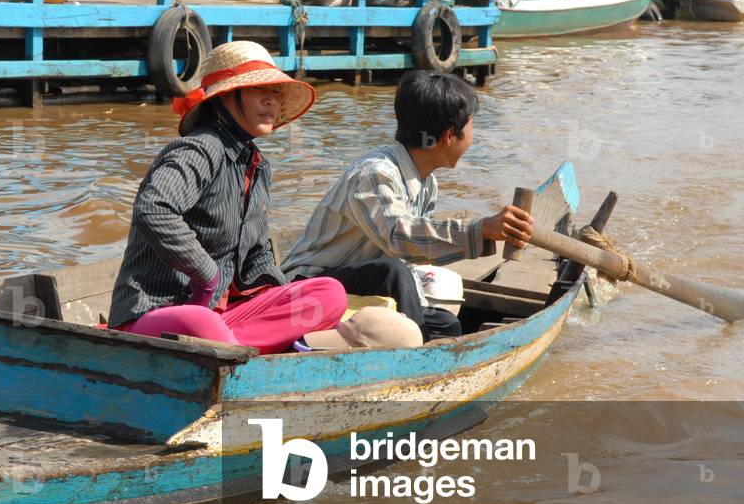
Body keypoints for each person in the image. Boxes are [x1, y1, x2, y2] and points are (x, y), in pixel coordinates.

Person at [108, 41, 347, 355]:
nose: (271, 101)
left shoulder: (257, 165)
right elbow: (154, 209)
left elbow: (259, 255)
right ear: (226, 97)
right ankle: (234, 348)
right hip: (161, 310)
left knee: (329, 293)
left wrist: (281, 297)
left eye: (276, 92)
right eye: (259, 89)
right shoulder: (199, 149)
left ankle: (231, 346)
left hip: (223, 315)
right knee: (200, 323)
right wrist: (206, 274)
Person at [280, 70, 534, 340]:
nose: (473, 137)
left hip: (357, 283)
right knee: (394, 272)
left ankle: (420, 343)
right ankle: (416, 354)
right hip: (309, 287)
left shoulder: (426, 182)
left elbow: (414, 252)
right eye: (472, 128)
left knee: (446, 325)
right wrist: (480, 229)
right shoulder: (375, 173)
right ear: (449, 135)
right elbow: (399, 237)